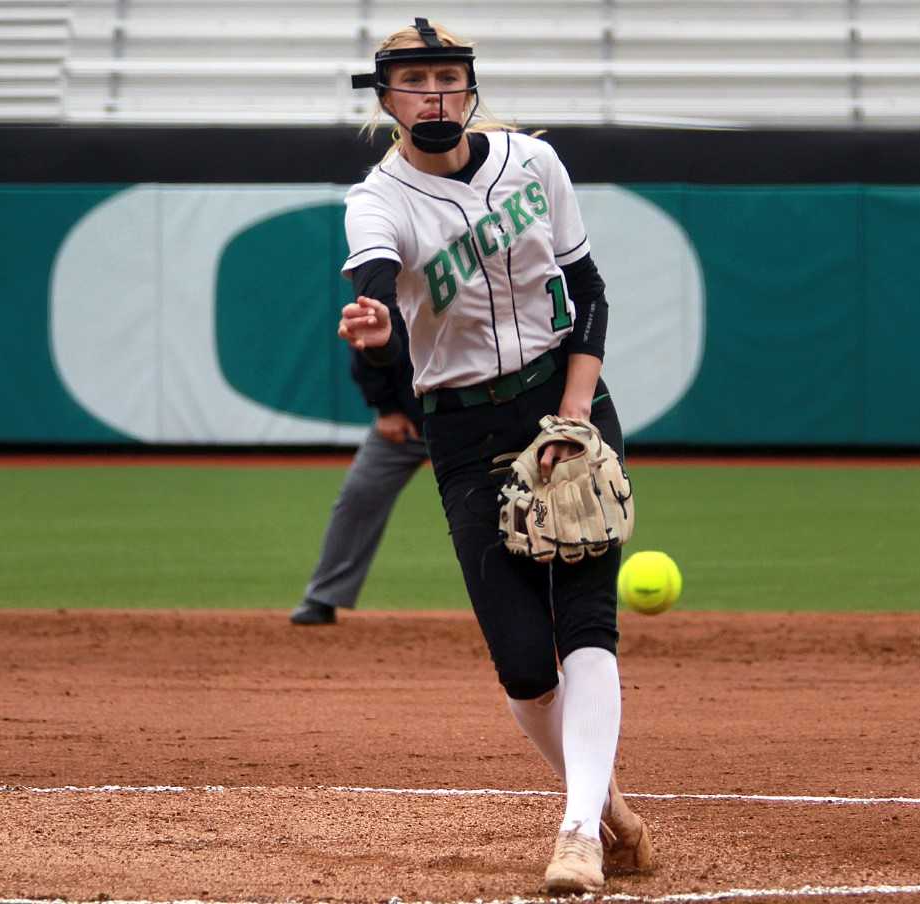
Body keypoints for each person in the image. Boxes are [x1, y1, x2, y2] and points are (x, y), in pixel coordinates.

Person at [339, 18, 654, 894]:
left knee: (588, 623)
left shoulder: (533, 162)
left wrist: (575, 417)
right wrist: (372, 326)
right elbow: (373, 278)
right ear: (386, 97)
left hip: (567, 406)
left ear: (471, 85)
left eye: (447, 76)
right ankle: (611, 805)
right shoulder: (379, 198)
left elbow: (585, 290)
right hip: (466, 431)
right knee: (521, 662)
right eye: (414, 80)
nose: (433, 94)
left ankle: (579, 832)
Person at [290, 343, 427, 625]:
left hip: (472, 422)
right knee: (359, 495)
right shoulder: (391, 297)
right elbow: (364, 342)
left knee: (499, 504)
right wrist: (386, 408)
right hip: (408, 422)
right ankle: (324, 596)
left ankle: (523, 601)